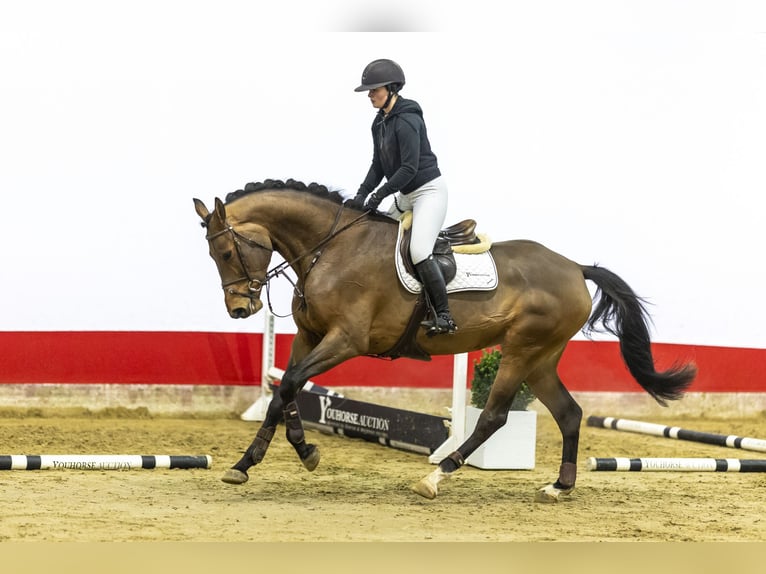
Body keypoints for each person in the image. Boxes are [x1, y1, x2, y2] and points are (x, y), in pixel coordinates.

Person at [345, 58, 457, 336]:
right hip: (406, 195)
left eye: (374, 90)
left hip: (428, 192)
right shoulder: (379, 123)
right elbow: (378, 165)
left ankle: (444, 316)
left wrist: (380, 194)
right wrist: (361, 194)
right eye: (369, 91)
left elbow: (409, 168)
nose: (370, 95)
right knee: (372, 235)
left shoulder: (407, 120)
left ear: (392, 89)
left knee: (419, 251)